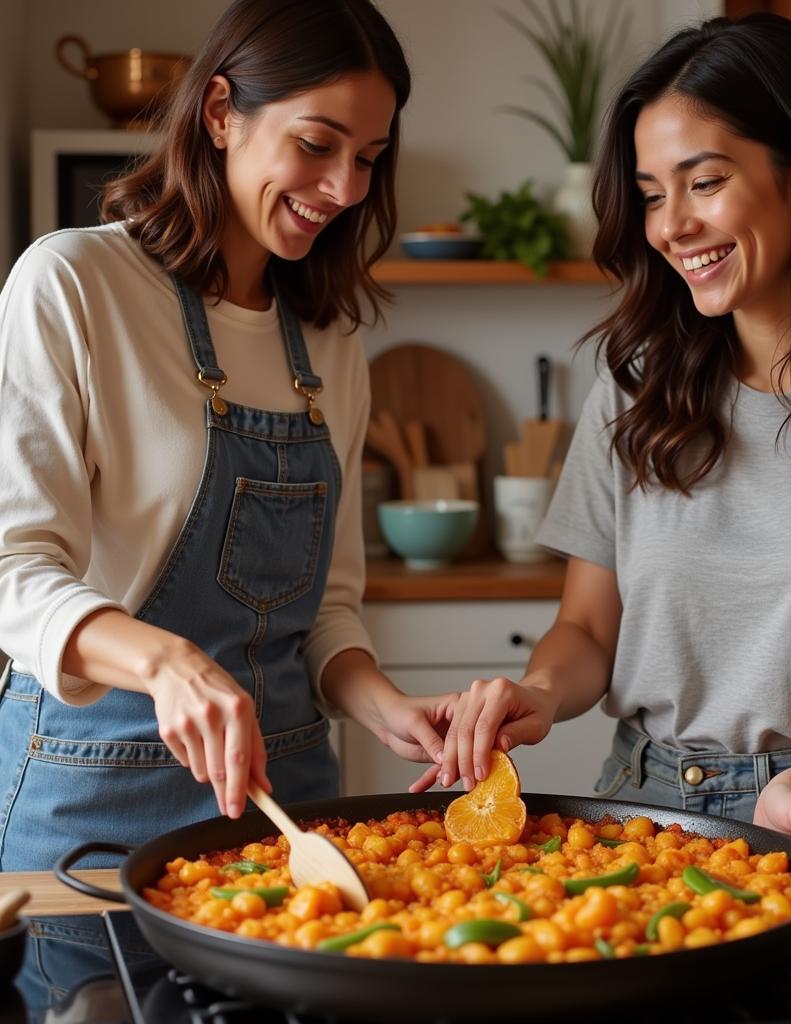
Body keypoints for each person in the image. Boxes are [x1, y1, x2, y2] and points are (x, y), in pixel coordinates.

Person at [416, 13, 791, 898]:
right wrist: (539, 691)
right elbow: (588, 628)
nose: (672, 225)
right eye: (654, 193)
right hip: (643, 820)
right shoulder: (634, 387)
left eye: (704, 182)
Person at [0, 0, 454, 880]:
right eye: (317, 145)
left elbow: (326, 612)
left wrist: (384, 705)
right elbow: (13, 574)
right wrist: (167, 662)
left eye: (368, 158)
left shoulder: (329, 338)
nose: (347, 189)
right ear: (218, 113)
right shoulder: (73, 284)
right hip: (92, 801)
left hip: (290, 809)